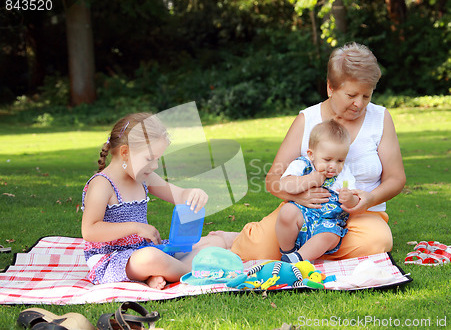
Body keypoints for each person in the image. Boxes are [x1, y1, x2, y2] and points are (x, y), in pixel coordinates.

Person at [224, 42, 406, 261]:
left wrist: (369, 198)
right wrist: (299, 195)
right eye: (351, 95)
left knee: (376, 241)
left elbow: (396, 179)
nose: (359, 104)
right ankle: (295, 248)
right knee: (255, 252)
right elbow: (272, 179)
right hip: (306, 212)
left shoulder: (380, 118)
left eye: (366, 96)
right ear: (331, 87)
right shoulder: (307, 119)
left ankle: (304, 252)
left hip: (360, 217)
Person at [81, 113, 228, 290]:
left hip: (143, 249)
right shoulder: (102, 184)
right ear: (125, 152)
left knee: (214, 242)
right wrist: (136, 227)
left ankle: (161, 272)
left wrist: (193, 193)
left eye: (158, 159)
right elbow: (90, 230)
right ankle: (189, 271)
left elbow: (179, 195)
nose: (155, 165)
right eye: (150, 159)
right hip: (113, 258)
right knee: (151, 258)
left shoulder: (145, 177)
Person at [277, 119, 358, 263]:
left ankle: (298, 259)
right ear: (311, 154)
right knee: (286, 212)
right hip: (302, 216)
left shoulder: (344, 174)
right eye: (327, 159)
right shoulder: (302, 165)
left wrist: (350, 198)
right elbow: (284, 185)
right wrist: (310, 179)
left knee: (330, 235)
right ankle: (287, 252)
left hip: (328, 222)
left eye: (340, 161)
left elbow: (355, 200)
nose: (333, 166)